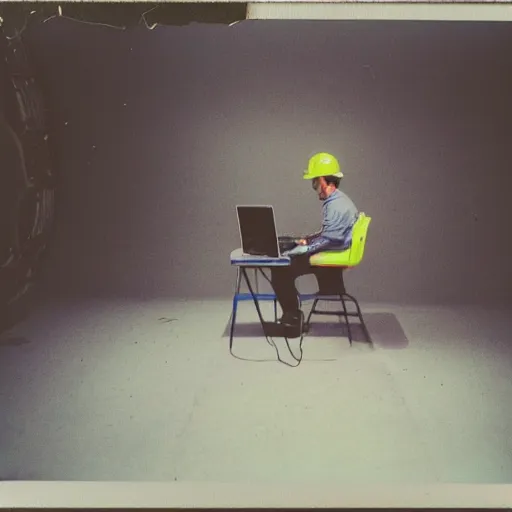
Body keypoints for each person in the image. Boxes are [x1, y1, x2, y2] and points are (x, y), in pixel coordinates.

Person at [271, 152, 359, 335]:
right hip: (336, 248)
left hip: (333, 252)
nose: (314, 187)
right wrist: (306, 239)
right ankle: (293, 315)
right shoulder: (338, 199)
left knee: (281, 269)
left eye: (314, 182)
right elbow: (329, 234)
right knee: (290, 252)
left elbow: (329, 239)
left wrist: (301, 249)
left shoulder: (336, 205)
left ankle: (292, 320)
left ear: (322, 180)